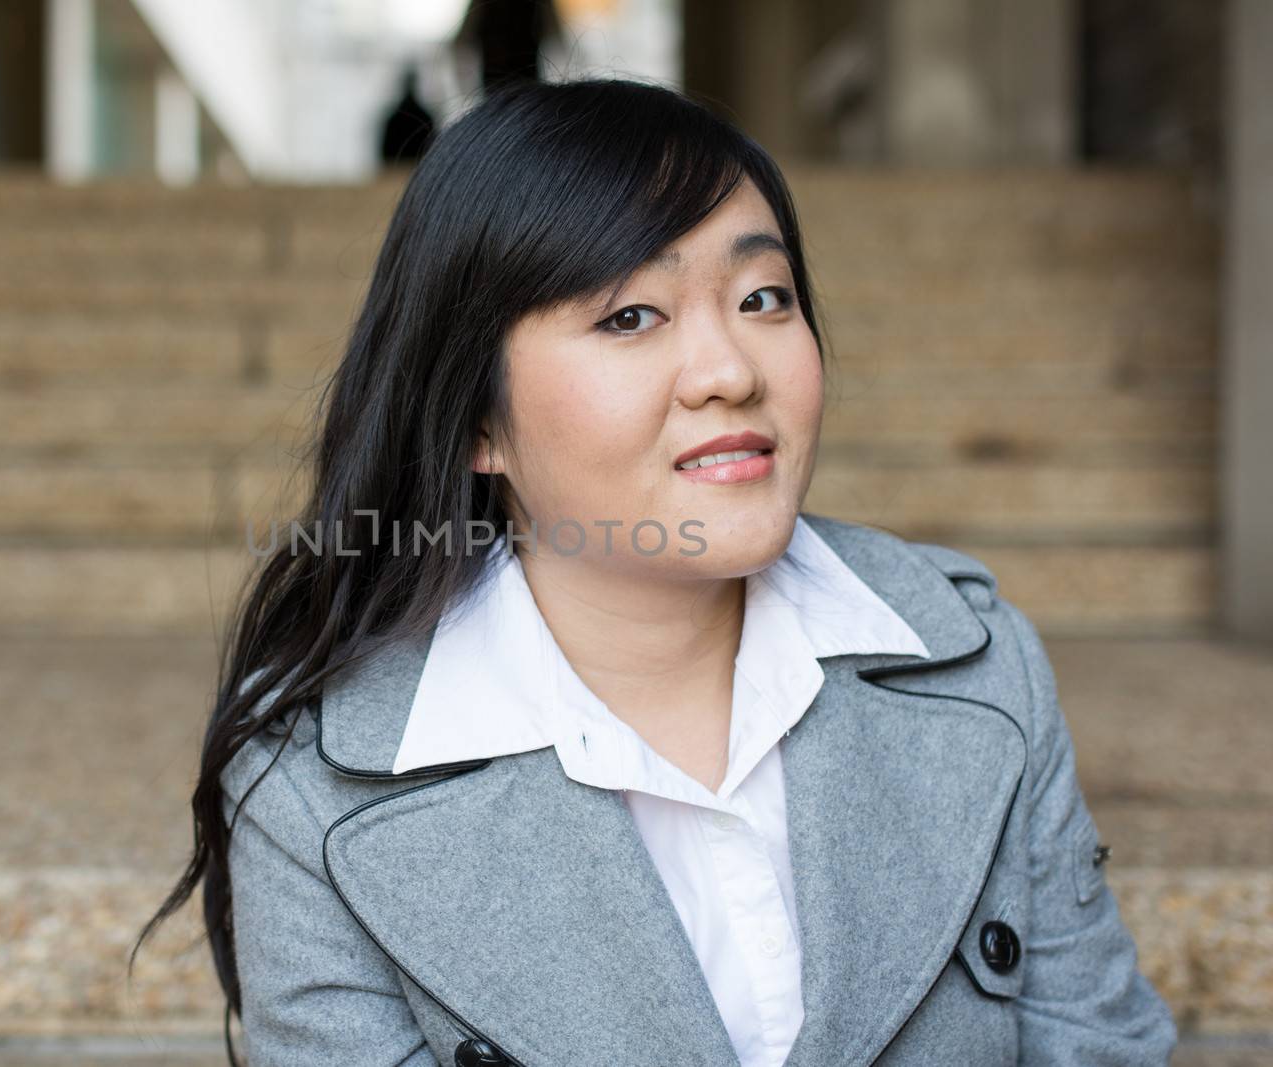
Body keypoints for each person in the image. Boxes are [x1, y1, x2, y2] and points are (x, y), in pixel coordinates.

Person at [131, 77, 1178, 1066]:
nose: (730, 370)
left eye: (765, 298)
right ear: (474, 421)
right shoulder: (311, 789)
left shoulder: (975, 665)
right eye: (630, 315)